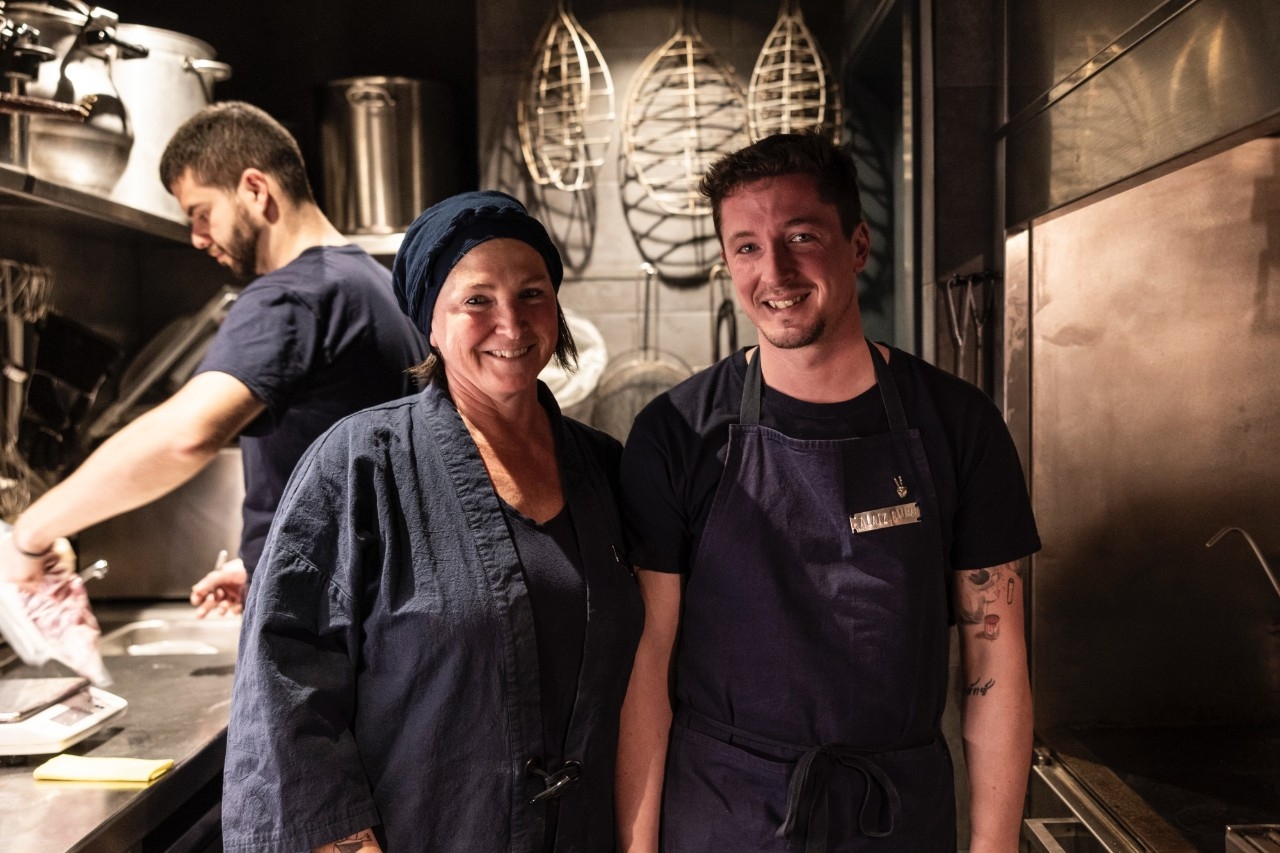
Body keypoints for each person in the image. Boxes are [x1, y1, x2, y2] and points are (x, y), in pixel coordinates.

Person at [614, 132, 1040, 853]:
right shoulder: (676, 433)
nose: (773, 270)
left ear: (859, 243)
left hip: (895, 818)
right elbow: (647, 664)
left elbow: (995, 657)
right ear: (727, 263)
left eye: (801, 235)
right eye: (745, 246)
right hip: (725, 815)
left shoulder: (959, 423)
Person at [221, 191, 644, 853]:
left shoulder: (608, 469)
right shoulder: (357, 465)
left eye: (532, 293)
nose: (511, 322)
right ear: (431, 322)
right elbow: (285, 677)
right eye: (477, 299)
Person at [0, 102, 427, 614]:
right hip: (374, 604)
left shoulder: (292, 295)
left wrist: (30, 532)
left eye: (202, 214)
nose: (199, 238)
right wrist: (267, 561)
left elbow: (185, 435)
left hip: (332, 629)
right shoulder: (377, 287)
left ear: (254, 188)